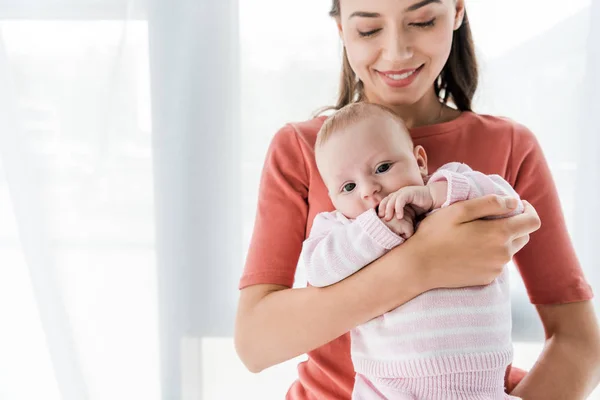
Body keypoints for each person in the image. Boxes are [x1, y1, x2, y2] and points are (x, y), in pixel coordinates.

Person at [235, 0, 600, 399]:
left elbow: (579, 340)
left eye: (422, 21)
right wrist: (422, 264)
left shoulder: (509, 147)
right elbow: (256, 345)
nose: (397, 52)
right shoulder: (302, 150)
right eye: (369, 29)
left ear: (457, 11)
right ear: (342, 30)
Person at [303, 101, 524, 399]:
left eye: (382, 168)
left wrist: (434, 196)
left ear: (419, 161)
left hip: (478, 381)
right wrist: (376, 229)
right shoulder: (340, 227)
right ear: (332, 196)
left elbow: (508, 202)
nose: (368, 190)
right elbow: (318, 271)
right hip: (386, 384)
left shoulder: (451, 185)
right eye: (348, 187)